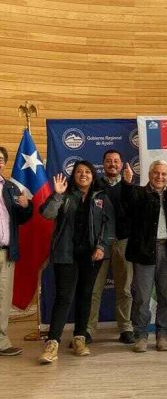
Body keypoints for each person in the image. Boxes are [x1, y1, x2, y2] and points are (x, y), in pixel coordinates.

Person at [38, 160, 115, 364]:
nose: (83, 174)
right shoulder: (65, 195)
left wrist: (101, 247)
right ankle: (52, 343)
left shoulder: (101, 197)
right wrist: (57, 195)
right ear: (74, 176)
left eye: (87, 171)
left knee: (85, 296)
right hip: (66, 255)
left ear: (93, 175)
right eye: (79, 171)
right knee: (63, 298)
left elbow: (108, 226)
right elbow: (47, 214)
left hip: (92, 256)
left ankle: (79, 338)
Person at [122, 160, 167, 353]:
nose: (159, 177)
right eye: (156, 173)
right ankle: (141, 335)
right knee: (142, 297)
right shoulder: (138, 193)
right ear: (149, 175)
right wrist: (127, 184)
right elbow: (126, 205)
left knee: (166, 297)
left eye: (164, 174)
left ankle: (162, 335)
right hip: (144, 252)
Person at [87, 150, 134, 345]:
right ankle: (88, 329)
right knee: (94, 289)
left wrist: (128, 185)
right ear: (103, 164)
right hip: (99, 244)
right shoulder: (94, 185)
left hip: (123, 242)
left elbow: (133, 211)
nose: (112, 164)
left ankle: (125, 328)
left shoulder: (129, 185)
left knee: (125, 289)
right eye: (108, 161)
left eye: (116, 161)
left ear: (121, 164)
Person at [0, 146, 33, 356]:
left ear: (4, 163)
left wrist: (25, 206)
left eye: (0, 159)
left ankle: (1, 343)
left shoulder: (11, 187)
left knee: (3, 299)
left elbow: (22, 219)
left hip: (5, 253)